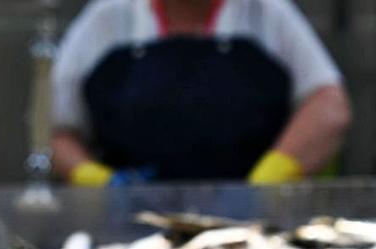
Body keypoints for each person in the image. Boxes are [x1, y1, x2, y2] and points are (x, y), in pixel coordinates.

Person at [50, 0, 352, 187]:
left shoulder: (266, 11)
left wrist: (271, 177)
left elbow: (328, 105)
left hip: (253, 230)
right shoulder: (107, 17)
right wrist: (98, 183)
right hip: (128, 228)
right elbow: (55, 133)